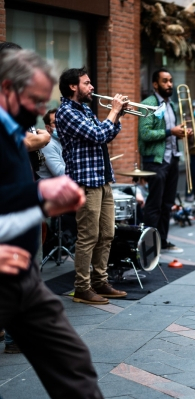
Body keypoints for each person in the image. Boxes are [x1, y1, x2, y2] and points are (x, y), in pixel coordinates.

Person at [0, 48, 104, 399]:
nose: (43, 111)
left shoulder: (12, 128)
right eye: (35, 99)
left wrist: (42, 198)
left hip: (21, 275)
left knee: (73, 365)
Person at [56, 67, 128, 305]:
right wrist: (113, 112)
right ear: (73, 87)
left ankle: (100, 281)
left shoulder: (85, 109)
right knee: (88, 236)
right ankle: (82, 288)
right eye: (87, 83)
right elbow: (97, 135)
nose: (92, 87)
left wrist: (118, 116)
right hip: (85, 182)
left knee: (107, 233)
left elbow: (106, 134)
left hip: (102, 178)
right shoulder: (66, 112)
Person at [139, 68, 189, 253]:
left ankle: (163, 241)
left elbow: (172, 132)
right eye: (165, 81)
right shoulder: (147, 104)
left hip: (172, 159)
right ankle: (149, 244)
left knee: (168, 204)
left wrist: (181, 133)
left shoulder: (172, 105)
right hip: (156, 161)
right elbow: (145, 134)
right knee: (154, 205)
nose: (170, 84)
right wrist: (170, 132)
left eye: (170, 81)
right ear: (155, 84)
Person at [37, 108, 65, 178]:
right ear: (48, 128)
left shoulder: (64, 142)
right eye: (55, 123)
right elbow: (60, 173)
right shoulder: (48, 144)